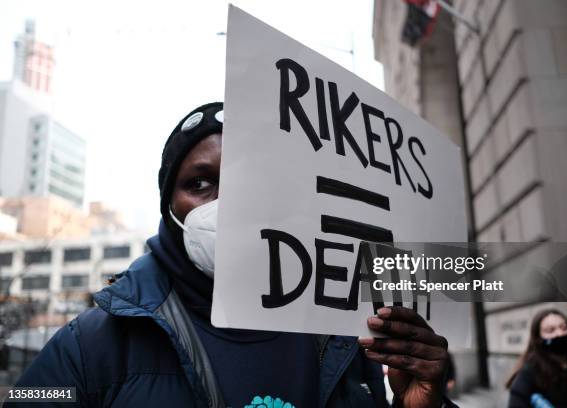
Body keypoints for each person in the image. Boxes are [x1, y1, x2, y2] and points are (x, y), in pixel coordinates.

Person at [8, 102, 457, 408]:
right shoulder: (95, 341)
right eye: (199, 183)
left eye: (248, 181)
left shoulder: (348, 333)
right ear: (170, 206)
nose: (227, 204)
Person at [506, 309, 567, 408]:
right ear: (538, 338)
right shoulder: (530, 371)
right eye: (550, 330)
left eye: (564, 327)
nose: (559, 333)